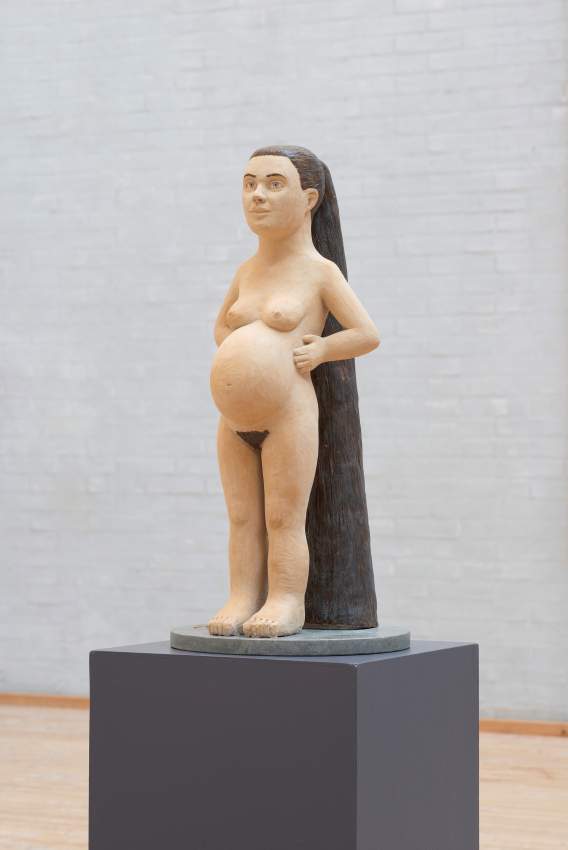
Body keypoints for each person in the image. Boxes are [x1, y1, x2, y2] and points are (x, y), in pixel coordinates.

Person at [208, 145, 380, 638]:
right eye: (249, 184)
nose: (257, 195)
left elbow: (366, 334)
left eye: (273, 184)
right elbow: (221, 326)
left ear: (309, 199)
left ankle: (286, 600)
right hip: (233, 419)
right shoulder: (246, 271)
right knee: (242, 517)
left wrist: (321, 349)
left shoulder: (319, 271)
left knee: (284, 517)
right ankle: (242, 596)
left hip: (287, 413)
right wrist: (239, 354)